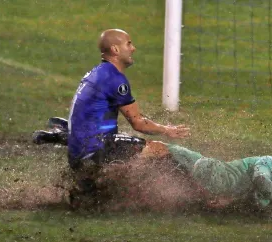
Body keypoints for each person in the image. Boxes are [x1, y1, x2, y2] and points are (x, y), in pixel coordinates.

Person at [33, 117, 272, 222]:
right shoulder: (269, 166)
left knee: (127, 176)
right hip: (195, 166)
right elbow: (263, 182)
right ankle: (70, 135)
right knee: (142, 149)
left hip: (191, 186)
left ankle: (86, 193)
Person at [34, 28, 189, 171]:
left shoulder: (95, 73)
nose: (133, 48)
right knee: (159, 150)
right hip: (97, 150)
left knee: (127, 146)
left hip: (77, 155)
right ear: (115, 49)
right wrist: (167, 130)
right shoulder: (115, 79)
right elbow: (138, 123)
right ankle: (188, 193)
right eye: (129, 44)